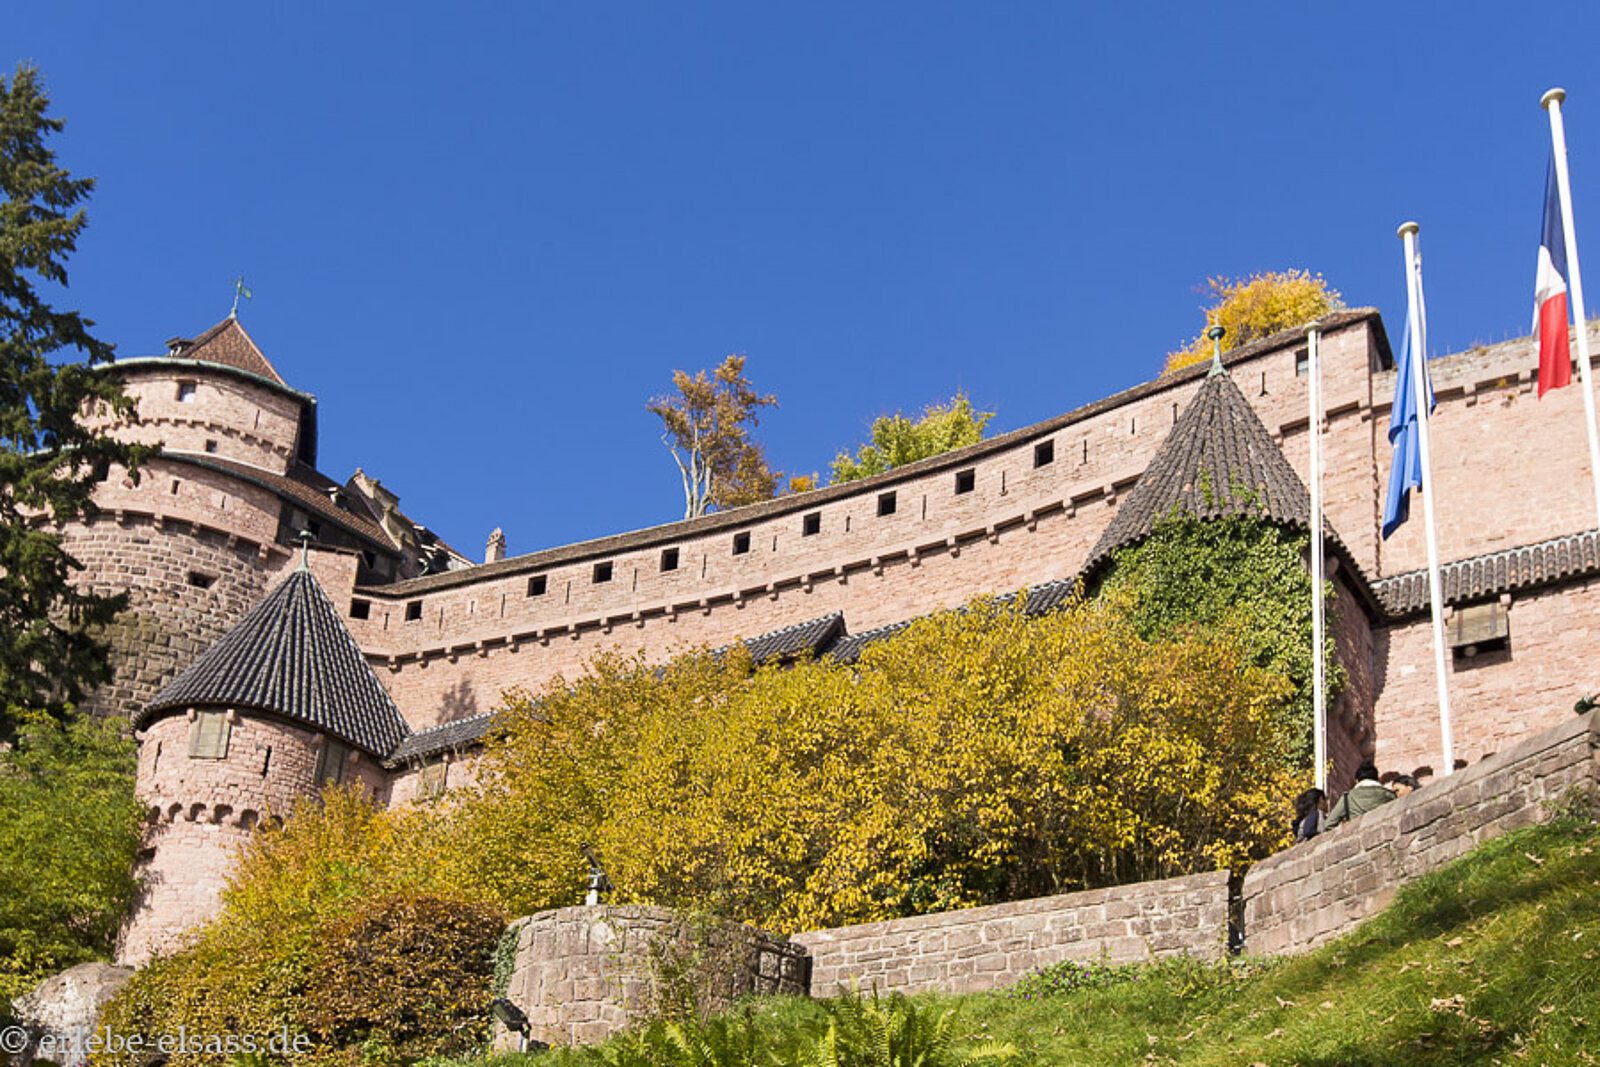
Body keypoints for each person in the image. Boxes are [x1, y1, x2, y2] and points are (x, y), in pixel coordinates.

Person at [1324, 762, 1395, 829]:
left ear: (1357, 780)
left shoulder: (1348, 798)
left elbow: (1329, 824)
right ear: (1377, 779)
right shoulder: (1389, 795)